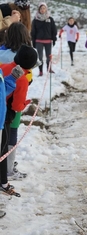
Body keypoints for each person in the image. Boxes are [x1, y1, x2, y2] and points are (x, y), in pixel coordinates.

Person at [0, 44, 35, 196]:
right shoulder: (22, 80)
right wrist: (26, 103)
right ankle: (3, 181)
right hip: (5, 115)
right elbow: (17, 105)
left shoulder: (3, 67)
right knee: (3, 148)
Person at [31, 2, 56, 76]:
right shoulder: (35, 20)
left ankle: (49, 68)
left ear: (46, 9)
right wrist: (33, 42)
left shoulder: (50, 19)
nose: (42, 10)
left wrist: (54, 39)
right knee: (40, 57)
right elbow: (33, 32)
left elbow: (53, 30)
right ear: (39, 9)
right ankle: (40, 71)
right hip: (39, 41)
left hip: (48, 41)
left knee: (49, 57)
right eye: (41, 8)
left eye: (44, 8)